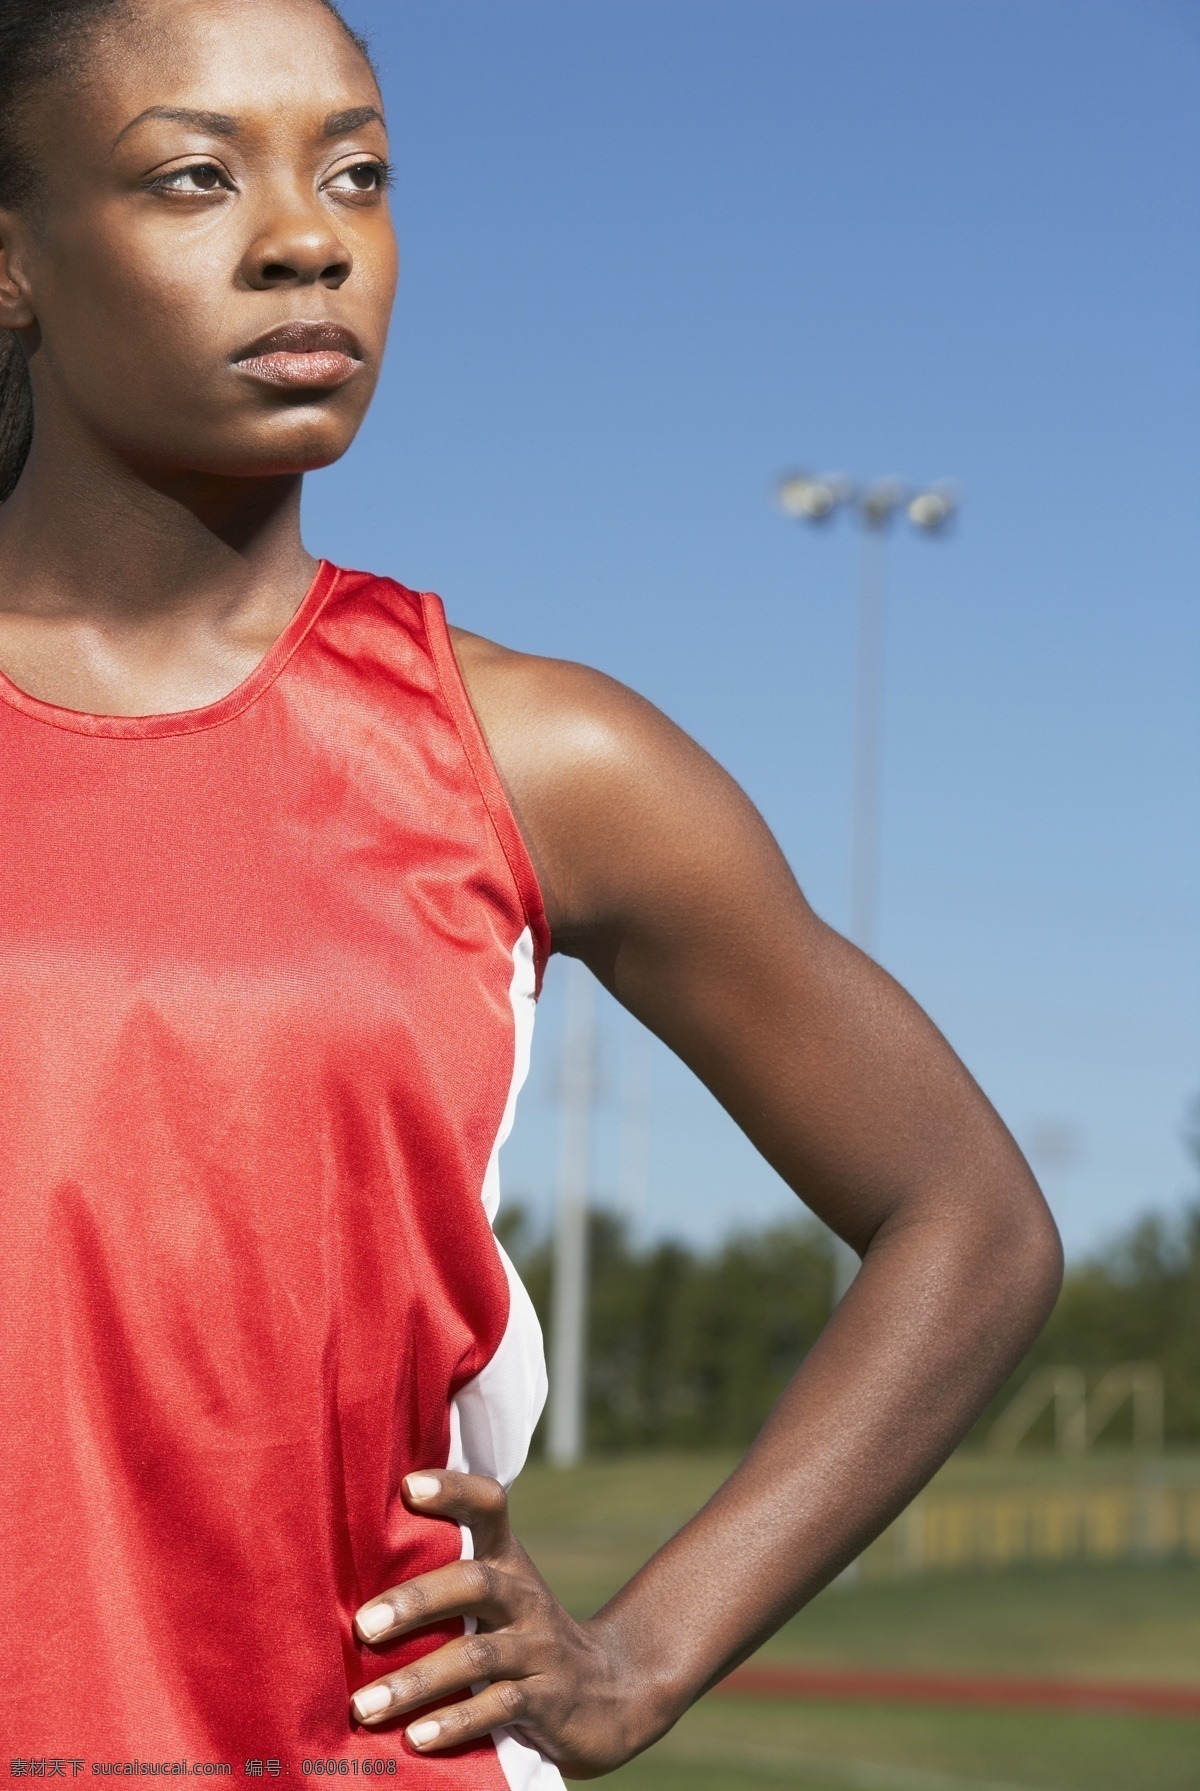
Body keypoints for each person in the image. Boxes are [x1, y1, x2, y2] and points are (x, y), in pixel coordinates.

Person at [0, 0, 1062, 1782]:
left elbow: (972, 1221)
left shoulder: (532, 756)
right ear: (12, 258)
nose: (306, 236)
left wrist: (643, 1655)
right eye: (195, 176)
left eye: (360, 171)